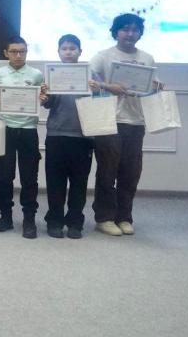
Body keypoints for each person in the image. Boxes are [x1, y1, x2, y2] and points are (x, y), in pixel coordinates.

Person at [89, 13, 160, 237]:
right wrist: (108, 86)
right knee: (107, 171)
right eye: (125, 29)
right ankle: (104, 218)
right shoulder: (103, 56)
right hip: (109, 120)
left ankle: (124, 217)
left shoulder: (147, 58)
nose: (130, 34)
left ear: (140, 33)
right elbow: (88, 82)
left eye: (135, 30)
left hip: (136, 121)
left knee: (130, 172)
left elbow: (149, 89)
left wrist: (156, 87)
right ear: (116, 32)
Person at [0, 35, 45, 238]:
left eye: (22, 51)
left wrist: (43, 97)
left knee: (29, 177)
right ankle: (5, 217)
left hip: (28, 130)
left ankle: (29, 219)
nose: (18, 55)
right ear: (6, 53)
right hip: (5, 129)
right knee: (4, 176)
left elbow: (43, 97)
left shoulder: (37, 75)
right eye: (14, 51)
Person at [41, 34, 94, 239]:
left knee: (79, 183)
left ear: (80, 51)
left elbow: (101, 102)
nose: (69, 52)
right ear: (59, 52)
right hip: (57, 134)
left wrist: (97, 90)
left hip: (83, 136)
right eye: (64, 48)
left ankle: (75, 223)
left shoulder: (90, 75)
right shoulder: (51, 74)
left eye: (73, 48)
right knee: (55, 182)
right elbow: (47, 104)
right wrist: (45, 96)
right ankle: (54, 221)